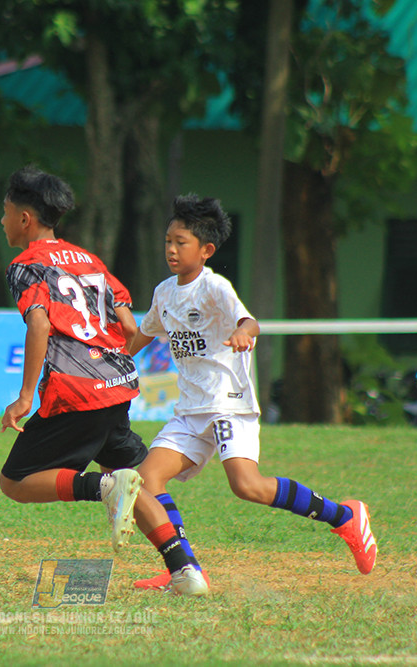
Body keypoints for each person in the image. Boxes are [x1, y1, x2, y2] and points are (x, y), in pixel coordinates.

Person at [128, 194, 378, 591]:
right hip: (191, 410)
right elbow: (142, 335)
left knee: (247, 486)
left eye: (181, 242)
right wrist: (109, 357)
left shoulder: (214, 288)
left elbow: (249, 320)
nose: (171, 250)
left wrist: (243, 333)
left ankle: (344, 517)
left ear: (206, 250)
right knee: (145, 481)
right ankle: (185, 569)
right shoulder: (164, 293)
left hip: (228, 402)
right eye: (168, 241)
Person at [0, 166, 208, 596]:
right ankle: (185, 572)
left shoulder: (26, 265)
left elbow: (38, 326)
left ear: (24, 219)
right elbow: (130, 327)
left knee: (15, 482)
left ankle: (102, 488)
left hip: (76, 391)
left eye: (5, 213)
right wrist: (109, 368)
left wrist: (24, 397)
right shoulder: (90, 261)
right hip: (116, 385)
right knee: (133, 475)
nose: (1, 222)